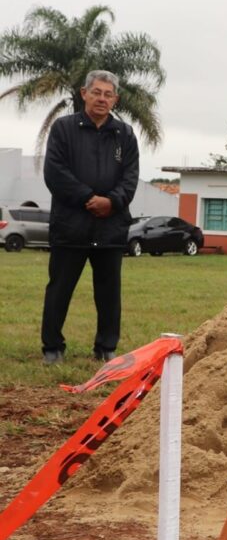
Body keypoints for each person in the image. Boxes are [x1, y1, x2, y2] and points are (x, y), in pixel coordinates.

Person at [41, 70, 141, 365]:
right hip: (70, 226)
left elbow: (131, 177)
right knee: (59, 288)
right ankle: (52, 348)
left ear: (116, 99)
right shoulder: (63, 129)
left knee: (109, 292)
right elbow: (55, 174)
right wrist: (88, 198)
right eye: (96, 92)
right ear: (84, 94)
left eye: (108, 94)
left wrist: (112, 201)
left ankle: (106, 347)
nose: (102, 98)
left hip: (111, 227)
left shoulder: (125, 134)